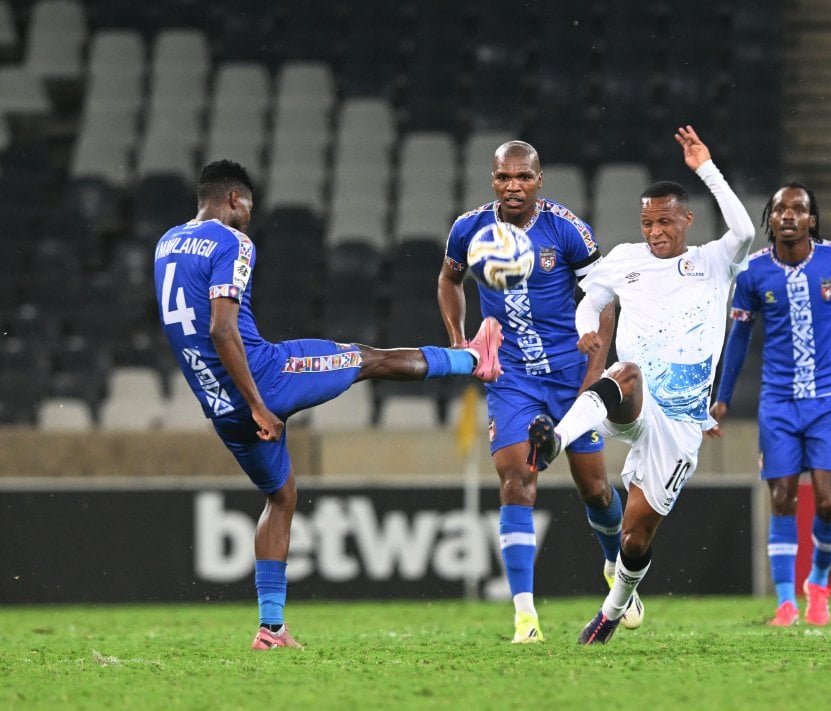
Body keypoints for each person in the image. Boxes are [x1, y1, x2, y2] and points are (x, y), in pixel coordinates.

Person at [154, 160, 503, 651]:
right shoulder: (234, 243)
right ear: (235, 199)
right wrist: (257, 402)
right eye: (249, 206)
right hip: (265, 379)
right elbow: (221, 327)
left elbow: (186, 330)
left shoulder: (166, 243)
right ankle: (473, 359)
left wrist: (232, 400)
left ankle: (271, 629)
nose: (250, 216)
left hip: (216, 401)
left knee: (281, 495)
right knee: (365, 358)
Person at [527, 125, 756, 644]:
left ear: (686, 219)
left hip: (679, 425)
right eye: (648, 222)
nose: (655, 231)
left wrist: (707, 169)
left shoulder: (713, 262)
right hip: (637, 402)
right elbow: (591, 298)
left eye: (665, 222)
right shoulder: (624, 259)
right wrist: (587, 328)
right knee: (624, 374)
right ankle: (555, 440)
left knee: (634, 536)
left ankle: (611, 611)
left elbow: (744, 232)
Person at [438, 140, 641, 644]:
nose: (513, 186)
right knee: (516, 481)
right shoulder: (469, 229)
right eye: (504, 177)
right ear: (492, 179)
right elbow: (448, 281)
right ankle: (525, 617)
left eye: (523, 178)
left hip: (570, 372)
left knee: (594, 487)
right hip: (511, 378)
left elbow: (604, 301)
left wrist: (593, 376)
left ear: (539, 180)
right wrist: (461, 343)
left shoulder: (566, 230)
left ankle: (617, 568)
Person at [709, 182, 831, 627]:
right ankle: (786, 603)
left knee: (829, 502)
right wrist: (723, 398)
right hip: (778, 405)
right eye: (779, 209)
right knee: (782, 497)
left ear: (813, 219)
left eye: (798, 209)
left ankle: (819, 582)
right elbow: (738, 339)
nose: (788, 216)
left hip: (830, 402)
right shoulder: (752, 273)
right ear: (769, 219)